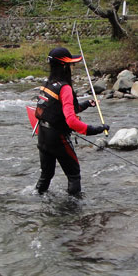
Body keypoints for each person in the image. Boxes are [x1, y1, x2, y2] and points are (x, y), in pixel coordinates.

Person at [35, 47, 109, 196]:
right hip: (58, 138)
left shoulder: (48, 84)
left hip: (43, 135)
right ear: (64, 66)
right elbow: (71, 121)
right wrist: (96, 129)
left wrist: (87, 104)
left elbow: (57, 110)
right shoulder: (65, 88)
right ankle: (74, 212)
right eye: (71, 64)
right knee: (74, 175)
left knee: (46, 175)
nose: (72, 67)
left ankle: (37, 198)